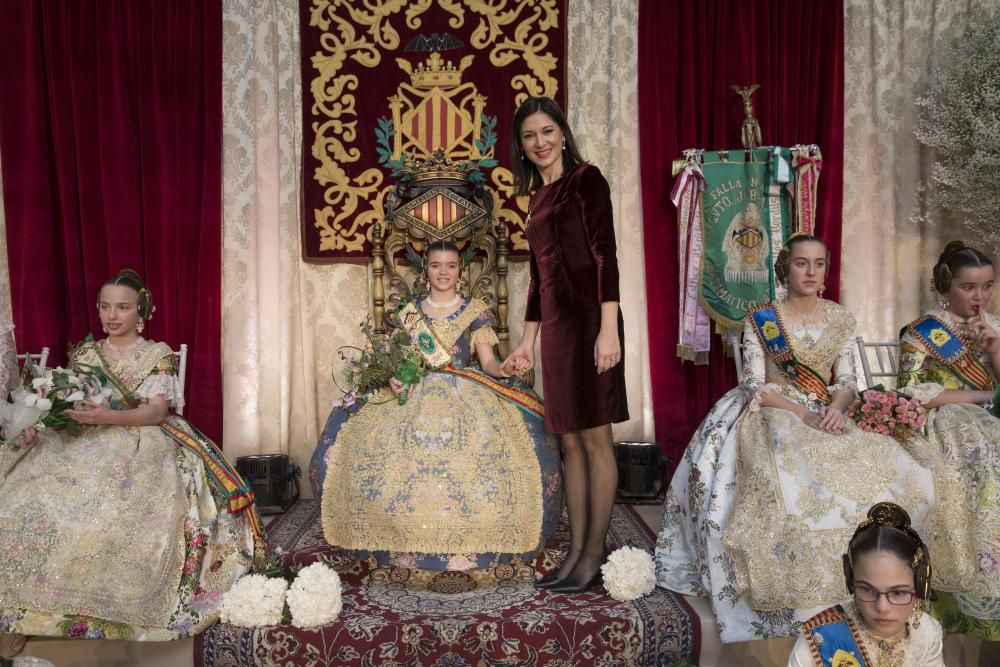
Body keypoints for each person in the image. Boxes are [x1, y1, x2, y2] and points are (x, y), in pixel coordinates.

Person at [655, 234, 938, 643]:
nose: (810, 271)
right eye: (801, 263)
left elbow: (845, 381)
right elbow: (754, 385)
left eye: (818, 264)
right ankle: (794, 599)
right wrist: (803, 413)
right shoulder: (763, 318)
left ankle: (868, 580)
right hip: (774, 410)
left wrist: (838, 408)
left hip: (829, 410)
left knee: (880, 467)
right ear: (785, 268)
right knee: (786, 474)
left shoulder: (840, 318)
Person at [0, 269, 264, 642]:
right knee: (32, 495)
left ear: (140, 312)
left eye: (122, 307)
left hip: (142, 437)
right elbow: (72, 398)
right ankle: (34, 601)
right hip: (85, 437)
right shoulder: (86, 354)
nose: (112, 315)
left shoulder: (157, 355)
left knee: (117, 503)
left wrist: (109, 417)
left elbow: (156, 413)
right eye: (105, 307)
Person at [313, 241, 561, 572]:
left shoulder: (475, 311)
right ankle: (392, 535)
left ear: (460, 272)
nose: (443, 272)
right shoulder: (409, 311)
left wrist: (503, 369)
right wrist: (391, 379)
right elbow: (397, 360)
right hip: (413, 388)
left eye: (451, 266)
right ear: (425, 270)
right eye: (436, 266)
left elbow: (487, 361)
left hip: (466, 390)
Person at [503, 96, 629, 594]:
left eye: (547, 131)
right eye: (529, 136)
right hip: (555, 330)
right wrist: (527, 344)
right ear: (521, 145)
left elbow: (606, 256)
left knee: (596, 441)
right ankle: (576, 551)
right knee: (569, 444)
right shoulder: (536, 199)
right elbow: (538, 280)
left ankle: (594, 553)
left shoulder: (586, 180)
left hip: (591, 322)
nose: (540, 143)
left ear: (563, 132)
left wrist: (609, 328)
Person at [896, 240, 1000, 640]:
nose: (980, 297)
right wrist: (984, 396)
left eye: (987, 286)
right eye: (969, 287)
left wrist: (993, 348)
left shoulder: (994, 328)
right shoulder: (921, 334)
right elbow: (912, 394)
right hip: (947, 421)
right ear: (946, 285)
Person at [788, 502, 944, 666]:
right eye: (867, 590)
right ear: (851, 582)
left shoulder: (926, 634)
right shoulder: (820, 638)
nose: (882, 607)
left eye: (898, 593)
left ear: (919, 587)